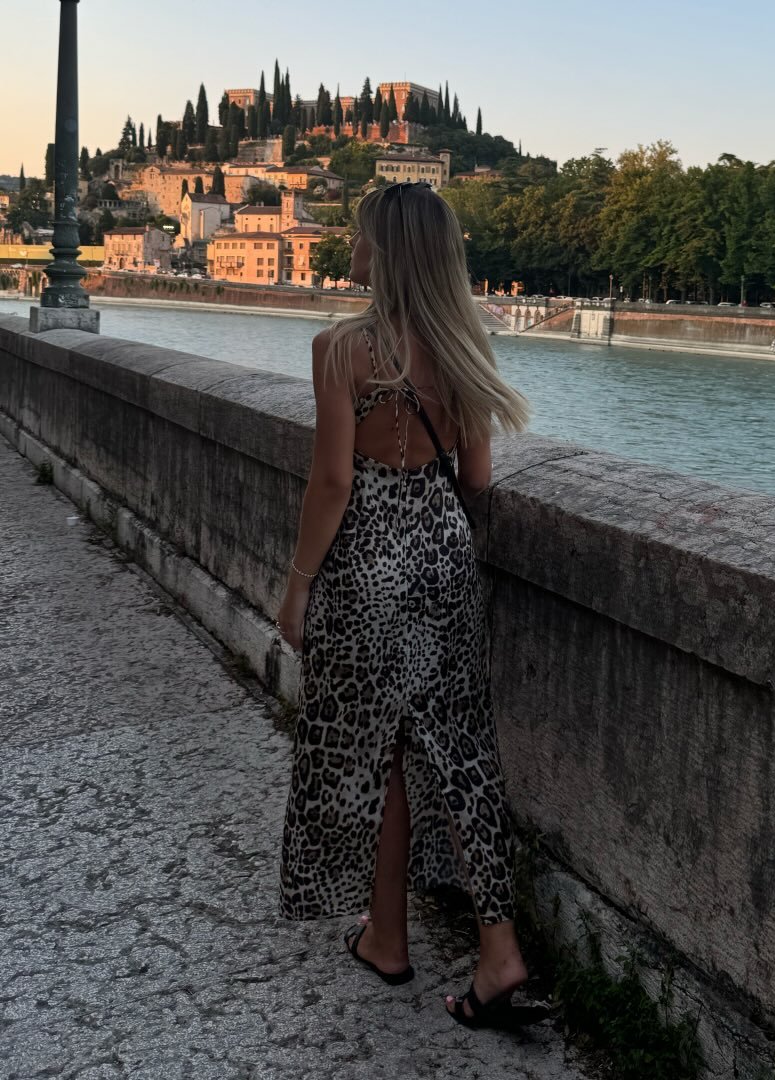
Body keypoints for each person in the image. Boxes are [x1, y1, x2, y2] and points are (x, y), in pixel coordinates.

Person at [276, 181, 535, 1028]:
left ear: (384, 254)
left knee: (373, 752)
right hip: (444, 560)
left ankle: (387, 939)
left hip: (364, 566)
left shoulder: (341, 348)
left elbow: (332, 482)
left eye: (359, 236)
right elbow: (478, 479)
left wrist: (298, 586)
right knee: (462, 755)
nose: (351, 247)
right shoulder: (466, 344)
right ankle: (499, 951)